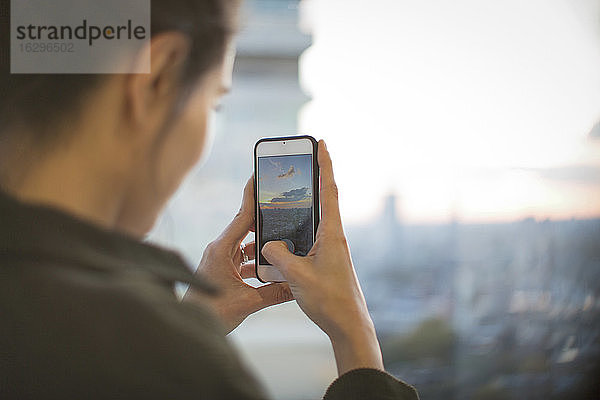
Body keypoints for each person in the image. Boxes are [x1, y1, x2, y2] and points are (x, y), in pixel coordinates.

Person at [0, 0, 418, 398]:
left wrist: (188, 325)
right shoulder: (184, 375)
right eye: (214, 103)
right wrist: (357, 339)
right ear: (158, 78)